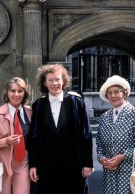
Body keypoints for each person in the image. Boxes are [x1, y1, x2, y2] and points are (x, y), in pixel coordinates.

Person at [28, 63, 94, 194]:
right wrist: (33, 165)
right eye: (50, 80)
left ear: (63, 81)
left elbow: (85, 134)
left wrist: (87, 163)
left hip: (73, 163)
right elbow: (34, 137)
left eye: (57, 79)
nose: (54, 83)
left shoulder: (76, 102)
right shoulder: (39, 105)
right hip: (46, 165)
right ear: (45, 83)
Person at [96, 75, 135, 194]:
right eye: (109, 93)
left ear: (125, 93)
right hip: (109, 173)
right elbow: (99, 144)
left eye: (117, 92)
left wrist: (122, 156)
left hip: (129, 174)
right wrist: (102, 159)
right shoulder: (104, 117)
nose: (113, 95)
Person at [0, 77, 32, 194]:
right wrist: (6, 141)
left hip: (23, 162)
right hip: (2, 163)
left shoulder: (30, 112)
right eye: (13, 91)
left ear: (24, 93)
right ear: (7, 93)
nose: (16, 94)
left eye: (20, 91)